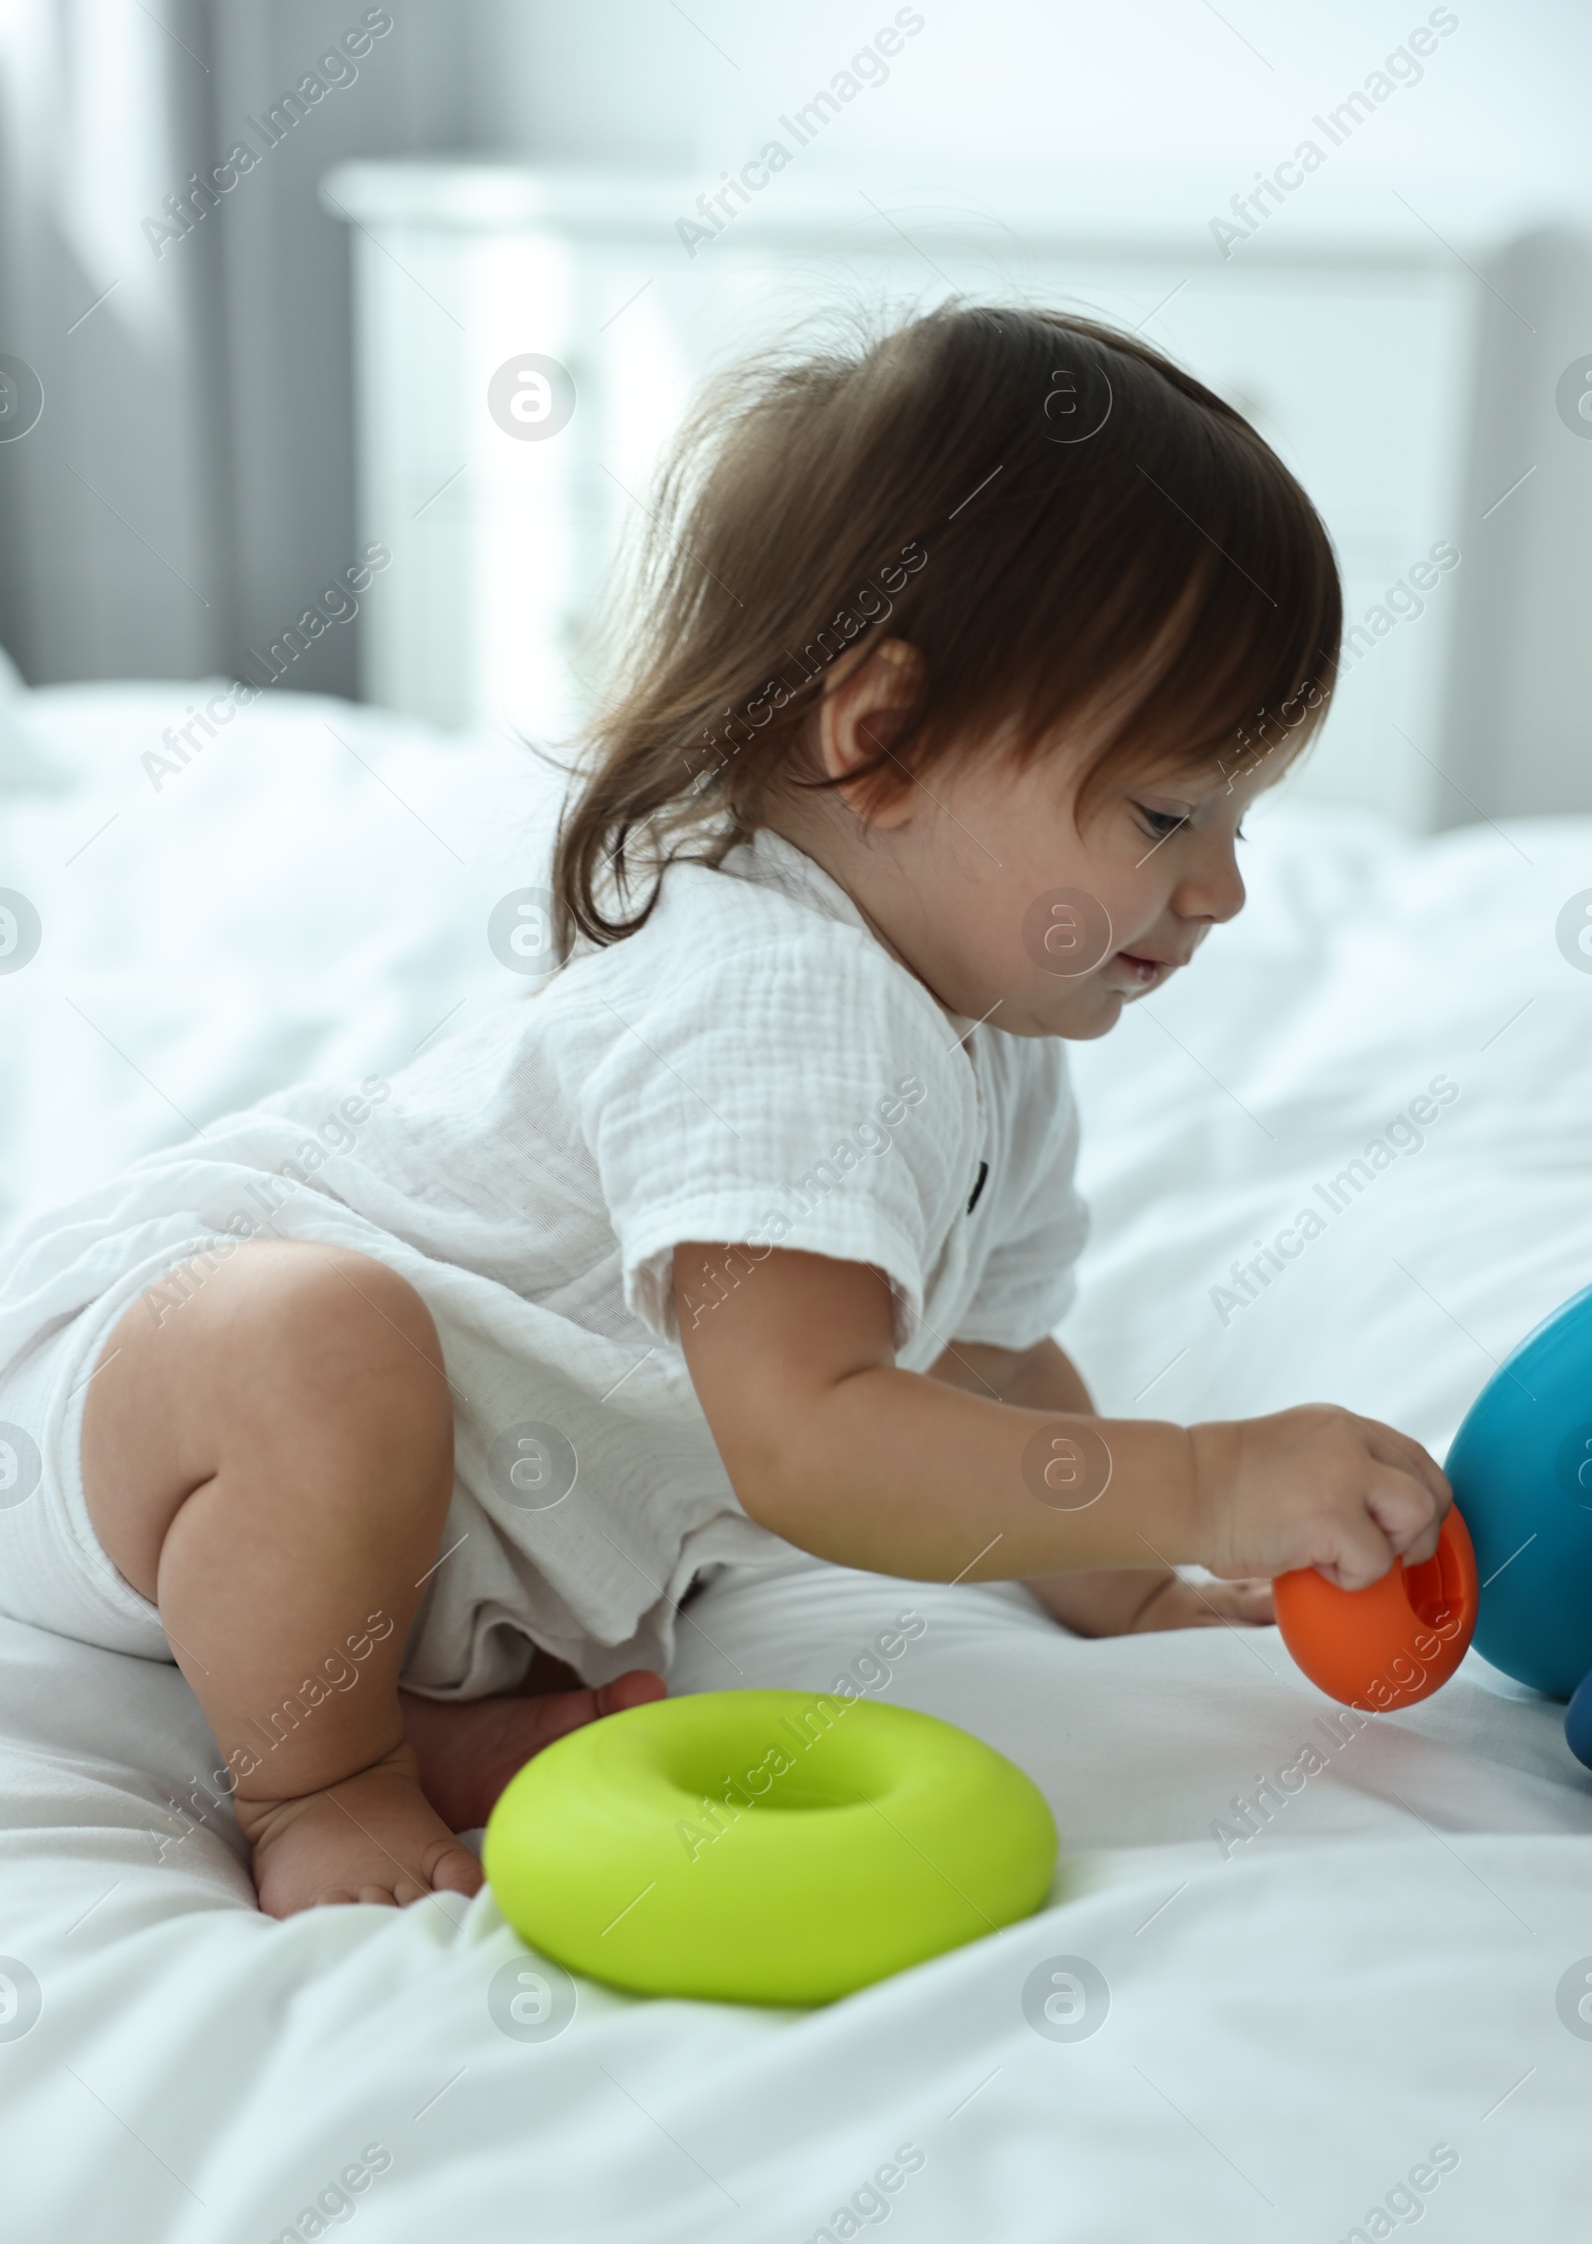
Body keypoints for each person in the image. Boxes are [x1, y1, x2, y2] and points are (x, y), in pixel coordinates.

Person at [0, 303, 1450, 1920]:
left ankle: (433, 1715)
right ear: (883, 738)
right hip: (147, 1397)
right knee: (321, 1347)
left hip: (417, 1552)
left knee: (544, 1580)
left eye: (1243, 818)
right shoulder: (783, 998)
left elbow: (987, 1360)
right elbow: (808, 1442)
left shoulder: (995, 1033)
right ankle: (322, 1779)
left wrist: (1129, 1586)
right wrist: (1203, 1476)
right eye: (1170, 811)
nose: (1227, 887)